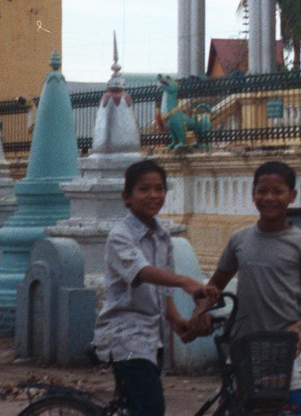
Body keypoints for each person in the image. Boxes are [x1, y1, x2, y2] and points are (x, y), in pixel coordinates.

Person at [92, 159, 217, 416]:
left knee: (140, 405)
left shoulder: (163, 237)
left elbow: (161, 293)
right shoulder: (121, 235)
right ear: (127, 197)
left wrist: (177, 322)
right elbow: (143, 272)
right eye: (144, 189)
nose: (154, 195)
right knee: (151, 407)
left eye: (159, 189)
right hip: (126, 336)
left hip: (153, 337)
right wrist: (185, 281)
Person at [207, 161, 301, 415]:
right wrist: (198, 313)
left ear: (292, 196)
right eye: (262, 191)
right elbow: (215, 285)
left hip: (290, 351)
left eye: (277, 191)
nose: (269, 198)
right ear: (253, 193)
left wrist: (298, 328)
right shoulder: (239, 240)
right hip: (245, 349)